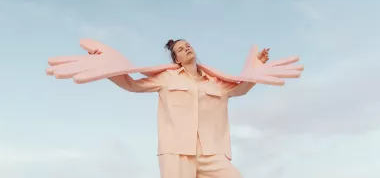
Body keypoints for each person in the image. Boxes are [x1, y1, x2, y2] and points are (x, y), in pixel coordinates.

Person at [90, 39, 269, 178]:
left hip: (211, 152)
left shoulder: (215, 83)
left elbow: (241, 88)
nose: (187, 49)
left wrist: (257, 66)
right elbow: (132, 85)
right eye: (181, 49)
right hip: (176, 151)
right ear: (177, 59)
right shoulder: (167, 77)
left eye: (188, 46)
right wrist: (104, 67)